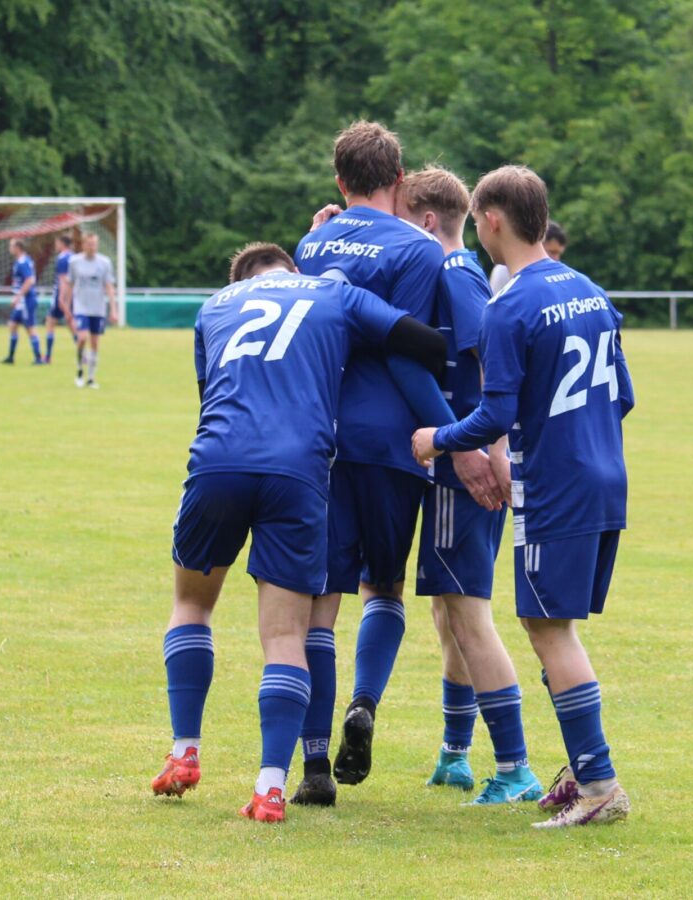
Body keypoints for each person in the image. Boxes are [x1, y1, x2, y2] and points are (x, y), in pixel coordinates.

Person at [152, 242, 447, 823]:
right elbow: (425, 344)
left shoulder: (215, 305)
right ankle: (269, 787)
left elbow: (211, 394)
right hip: (298, 469)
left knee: (191, 604)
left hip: (220, 459)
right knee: (286, 635)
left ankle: (184, 750)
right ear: (294, 268)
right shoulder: (331, 291)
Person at [413, 166, 635, 828]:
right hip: (606, 477)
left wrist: (434, 438)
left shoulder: (509, 306)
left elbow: (492, 416)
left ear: (492, 221)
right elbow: (622, 396)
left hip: (555, 486)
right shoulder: (591, 291)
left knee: (548, 630)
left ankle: (600, 787)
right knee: (552, 626)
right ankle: (584, 774)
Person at [289, 121, 502, 806]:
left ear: (339, 181)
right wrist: (456, 441)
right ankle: (365, 702)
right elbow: (409, 358)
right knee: (382, 588)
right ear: (400, 180)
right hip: (393, 441)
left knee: (319, 606)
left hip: (322, 435)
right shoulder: (417, 248)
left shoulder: (313, 242)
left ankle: (314, 767)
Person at [392, 166, 542, 805]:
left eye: (401, 221)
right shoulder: (451, 273)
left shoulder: (456, 273)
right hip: (457, 460)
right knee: (447, 610)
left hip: (466, 465)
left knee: (467, 612)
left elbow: (491, 365)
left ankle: (514, 767)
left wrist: (488, 450)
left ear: (427, 221)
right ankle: (455, 753)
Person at [71, 232, 117, 387]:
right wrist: (66, 303)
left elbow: (109, 286)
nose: (92, 247)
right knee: (82, 338)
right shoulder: (75, 262)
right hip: (81, 306)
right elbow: (70, 283)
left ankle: (91, 378)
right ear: (83, 245)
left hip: (98, 308)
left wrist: (113, 309)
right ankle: (79, 370)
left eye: (95, 244)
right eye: (89, 244)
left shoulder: (104, 263)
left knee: (95, 343)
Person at [491, 219, 567, 293]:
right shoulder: (504, 270)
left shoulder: (558, 273)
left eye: (559, 254)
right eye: (552, 252)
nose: (556, 259)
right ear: (538, 244)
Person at [2, 238, 43, 364]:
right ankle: (10, 357)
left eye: (11, 246)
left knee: (30, 328)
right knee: (12, 325)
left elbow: (29, 280)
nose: (10, 249)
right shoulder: (22, 260)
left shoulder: (23, 262)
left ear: (18, 248)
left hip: (26, 300)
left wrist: (18, 296)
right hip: (22, 302)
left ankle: (38, 358)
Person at [42, 235, 75, 363]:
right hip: (73, 294)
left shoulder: (62, 258)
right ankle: (83, 354)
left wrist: (61, 298)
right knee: (71, 323)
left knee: (50, 322)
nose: (56, 245)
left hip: (62, 294)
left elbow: (63, 279)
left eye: (57, 243)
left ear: (62, 243)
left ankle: (48, 356)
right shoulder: (73, 257)